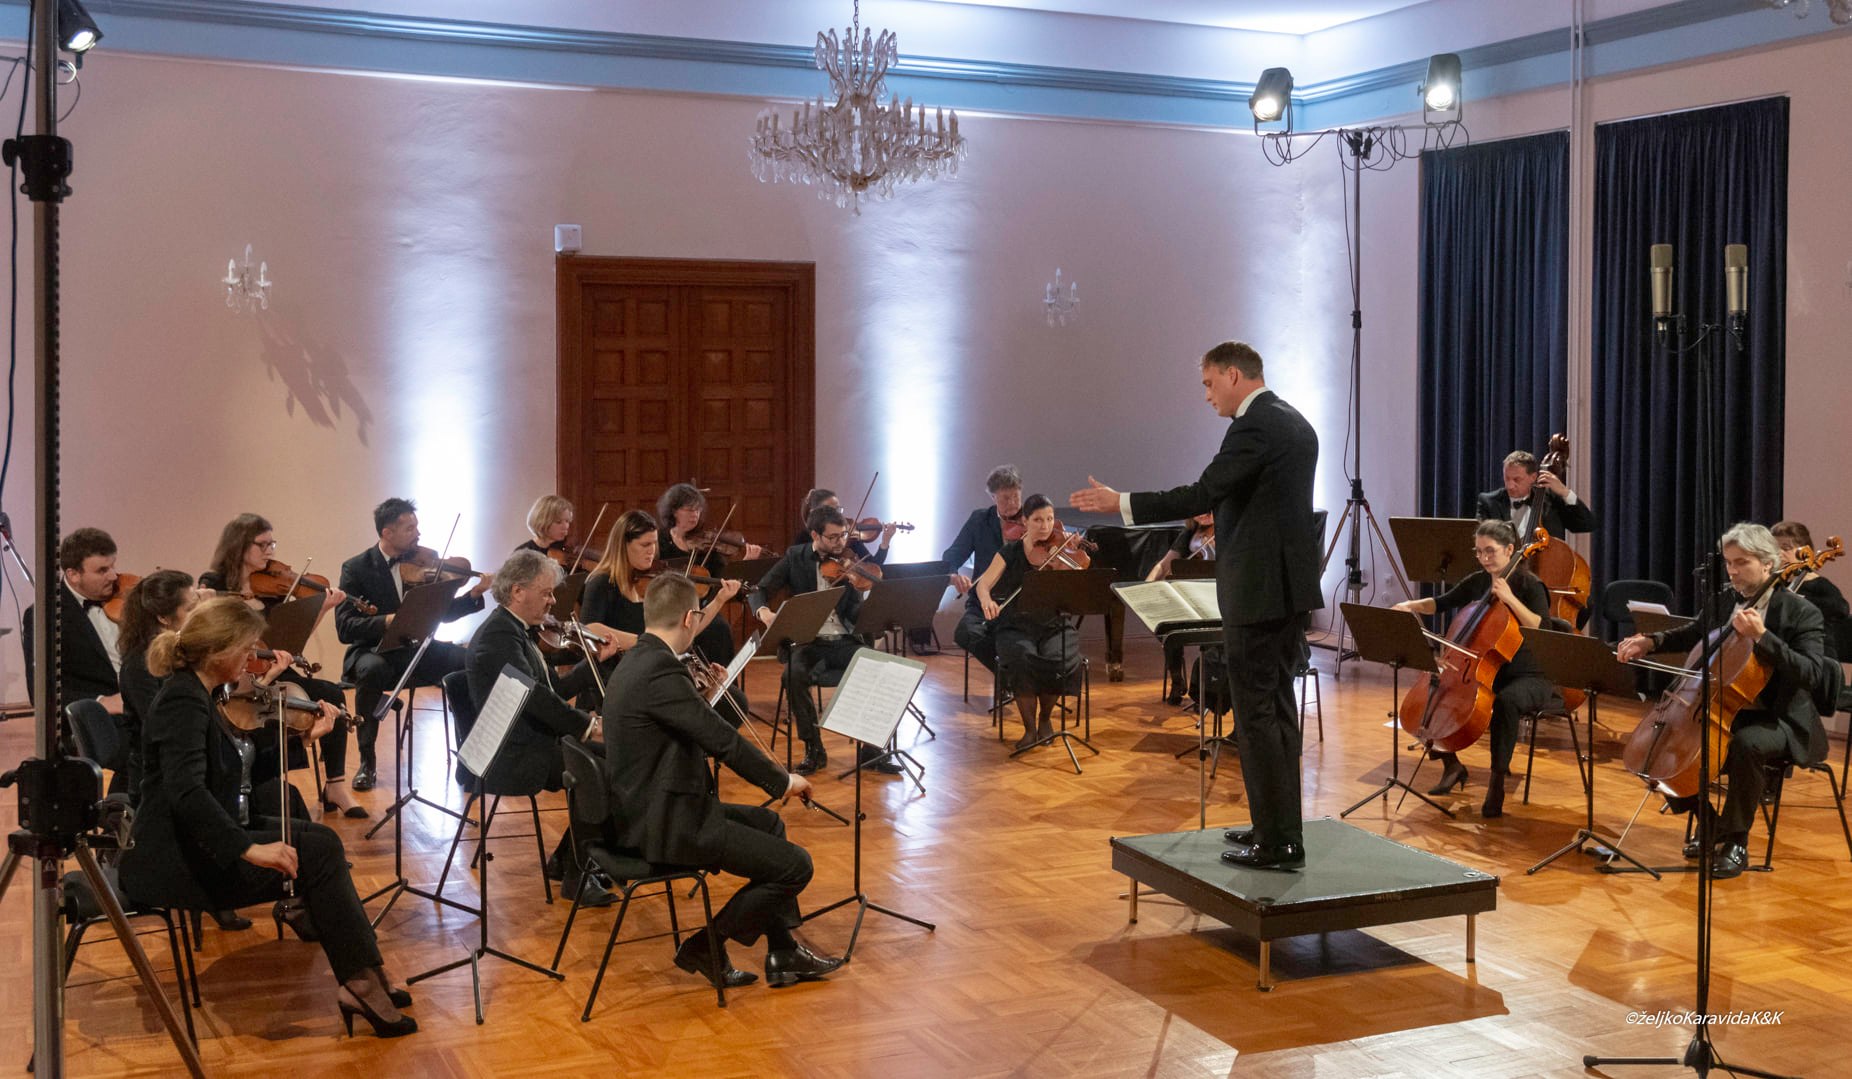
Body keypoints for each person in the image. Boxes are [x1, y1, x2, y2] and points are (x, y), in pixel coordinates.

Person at [1070, 341, 1321, 870]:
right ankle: (1276, 828)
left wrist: (1122, 503)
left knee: (1258, 717)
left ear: (1234, 375)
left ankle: (1278, 844)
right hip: (1280, 591)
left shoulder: (1256, 425)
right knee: (1273, 713)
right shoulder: (1292, 421)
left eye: (1209, 383)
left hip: (1258, 592)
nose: (1206, 395)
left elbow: (1204, 492)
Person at [117, 597, 418, 1038]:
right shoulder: (181, 702)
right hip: (176, 859)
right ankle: (360, 979)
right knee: (316, 854)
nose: (253, 659)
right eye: (246, 648)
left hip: (202, 840)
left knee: (322, 843)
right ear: (220, 651)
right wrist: (248, 847)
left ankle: (364, 971)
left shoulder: (202, 692)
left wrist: (306, 740)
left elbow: (240, 769)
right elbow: (187, 794)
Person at [602, 572, 843, 990]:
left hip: (652, 808)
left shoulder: (639, 660)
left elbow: (686, 725)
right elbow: (722, 742)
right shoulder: (660, 672)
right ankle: (706, 943)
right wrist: (783, 782)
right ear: (691, 618)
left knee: (771, 826)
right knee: (796, 865)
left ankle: (783, 950)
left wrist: (704, 696)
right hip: (666, 824)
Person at [1617, 523, 1839, 878]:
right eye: (1729, 563)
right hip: (1723, 709)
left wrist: (1764, 637)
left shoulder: (1800, 612)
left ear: (1768, 564)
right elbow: (1696, 631)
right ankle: (1709, 821)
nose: (1732, 571)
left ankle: (1736, 841)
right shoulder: (1726, 600)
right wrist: (1651, 641)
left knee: (1745, 745)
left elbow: (1812, 673)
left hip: (1779, 717)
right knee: (1660, 749)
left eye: (1742, 562)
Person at [466, 550, 624, 905]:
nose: (553, 601)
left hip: (531, 738)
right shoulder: (498, 638)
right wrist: (587, 726)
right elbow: (535, 699)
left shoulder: (516, 631)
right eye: (547, 593)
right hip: (510, 752)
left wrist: (592, 664)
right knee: (600, 771)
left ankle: (568, 861)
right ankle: (575, 876)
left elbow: (552, 689)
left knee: (614, 764)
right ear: (518, 591)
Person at [1391, 519, 1561, 818]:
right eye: (1479, 552)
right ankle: (1452, 764)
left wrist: (1508, 598)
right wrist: (1411, 605)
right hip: (1484, 669)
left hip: (1529, 674)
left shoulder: (1529, 585)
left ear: (1510, 550)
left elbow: (1542, 627)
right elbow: (1442, 603)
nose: (1483, 558)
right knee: (1434, 692)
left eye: (1490, 552)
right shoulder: (1478, 580)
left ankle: (1496, 783)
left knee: (1507, 702)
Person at [201, 513, 364, 816]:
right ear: (238, 546)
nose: (270, 551)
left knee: (332, 694)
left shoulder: (274, 588)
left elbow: (291, 641)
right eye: (262, 544)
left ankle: (335, 786)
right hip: (238, 676)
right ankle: (265, 781)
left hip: (277, 668)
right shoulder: (214, 584)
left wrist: (323, 608)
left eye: (271, 543)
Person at [335, 498, 492, 792]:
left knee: (470, 661)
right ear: (386, 533)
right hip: (373, 650)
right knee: (372, 671)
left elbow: (440, 614)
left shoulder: (423, 564)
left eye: (416, 526)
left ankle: (469, 761)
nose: (417, 534)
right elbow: (345, 628)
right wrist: (388, 621)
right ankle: (367, 762)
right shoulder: (356, 569)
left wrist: (474, 595)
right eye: (409, 528)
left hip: (417, 649)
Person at [749, 506, 901, 776]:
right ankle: (813, 748)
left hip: (843, 639)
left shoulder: (850, 560)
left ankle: (872, 748)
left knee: (878, 667)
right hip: (809, 642)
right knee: (792, 675)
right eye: (832, 537)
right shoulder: (795, 557)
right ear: (815, 535)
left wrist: (865, 597)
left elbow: (854, 614)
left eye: (843, 535)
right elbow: (759, 589)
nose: (840, 542)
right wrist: (764, 612)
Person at [580, 510, 744, 706]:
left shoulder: (649, 582)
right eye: (644, 545)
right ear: (623, 545)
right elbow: (590, 628)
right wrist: (644, 642)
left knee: (732, 699)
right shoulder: (601, 583)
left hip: (654, 671)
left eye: (654, 543)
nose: (652, 550)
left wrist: (719, 600)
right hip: (622, 677)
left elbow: (686, 629)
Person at [972, 495, 1084, 750]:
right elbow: (984, 585)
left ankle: (1045, 719)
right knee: (1022, 658)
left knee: (1060, 657)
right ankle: (1030, 729)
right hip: (1015, 624)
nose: (1045, 526)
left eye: (1050, 519)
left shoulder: (1060, 550)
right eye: (1037, 520)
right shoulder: (1010, 551)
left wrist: (1074, 554)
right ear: (1025, 521)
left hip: (1053, 623)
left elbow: (1078, 587)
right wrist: (987, 600)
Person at [22, 526, 125, 714]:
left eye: (113, 566)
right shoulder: (46, 615)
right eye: (102, 570)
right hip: (101, 721)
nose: (113, 576)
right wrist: (101, 702)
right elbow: (40, 692)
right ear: (73, 575)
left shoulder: (126, 595)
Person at [940, 465, 1024, 675]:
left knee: (1011, 635)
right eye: (1005, 498)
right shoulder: (980, 520)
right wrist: (953, 574)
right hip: (983, 601)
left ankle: (1017, 679)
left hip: (1019, 601)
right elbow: (953, 554)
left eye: (1016, 496)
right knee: (964, 632)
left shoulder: (1031, 520)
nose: (1013, 503)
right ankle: (1008, 676)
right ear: (993, 497)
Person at [1145, 513, 1216, 707]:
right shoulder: (1189, 533)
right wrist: (1147, 585)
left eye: (1208, 509)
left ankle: (1206, 686)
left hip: (1215, 599)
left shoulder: (1226, 530)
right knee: (1168, 627)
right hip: (1190, 596)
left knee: (1214, 636)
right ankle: (1177, 681)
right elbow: (1165, 563)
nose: (1203, 514)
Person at [1474, 450, 1597, 541]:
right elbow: (1481, 538)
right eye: (1507, 478)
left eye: (1517, 479)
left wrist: (1565, 492)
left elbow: (1586, 525)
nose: (1510, 485)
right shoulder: (1488, 502)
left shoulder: (1551, 499)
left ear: (1533, 477)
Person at [1771, 519, 1848, 661]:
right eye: (1776, 549)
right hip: (1788, 656)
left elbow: (1841, 608)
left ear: (1806, 552)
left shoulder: (1818, 583)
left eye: (1786, 547)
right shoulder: (1776, 585)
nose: (1780, 553)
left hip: (1818, 657)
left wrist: (1799, 600)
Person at [657, 482, 765, 573]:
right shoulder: (659, 540)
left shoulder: (709, 548)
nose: (695, 514)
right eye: (690, 509)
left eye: (698, 509)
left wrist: (745, 563)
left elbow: (723, 580)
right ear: (674, 511)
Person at [794, 488, 899, 564]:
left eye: (838, 509)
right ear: (815, 512)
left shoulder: (847, 536)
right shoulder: (803, 538)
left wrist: (885, 542)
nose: (837, 514)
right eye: (830, 510)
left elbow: (873, 565)